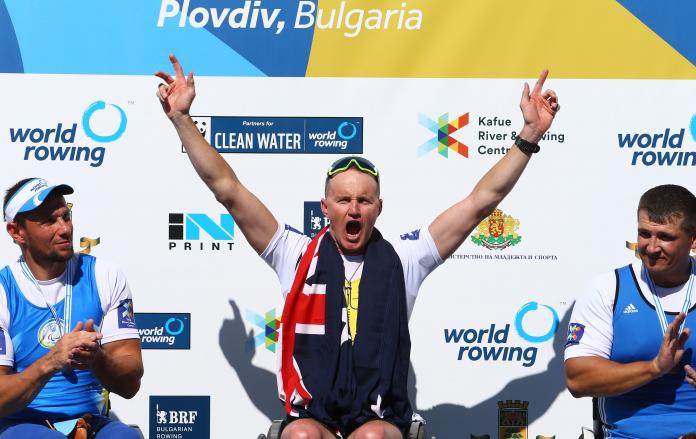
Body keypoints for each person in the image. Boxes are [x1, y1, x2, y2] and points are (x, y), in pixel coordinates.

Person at [156, 54, 560, 439]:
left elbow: (480, 203)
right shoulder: (293, 253)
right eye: (344, 200)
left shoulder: (406, 258)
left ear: (378, 208)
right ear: (325, 208)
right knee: (298, 434)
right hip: (314, 416)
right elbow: (228, 190)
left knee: (369, 436)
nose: (354, 209)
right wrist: (182, 119)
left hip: (378, 418)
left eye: (364, 201)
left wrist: (529, 136)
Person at [0, 178, 144, 438]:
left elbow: (130, 383)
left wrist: (98, 360)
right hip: (23, 425)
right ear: (16, 232)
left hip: (92, 423)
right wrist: (51, 362)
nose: (65, 229)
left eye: (65, 216)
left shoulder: (104, 275)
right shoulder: (3, 290)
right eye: (48, 221)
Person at [565, 184, 696, 438]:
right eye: (644, 234)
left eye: (666, 237)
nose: (651, 247)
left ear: (693, 238)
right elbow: (577, 380)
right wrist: (654, 368)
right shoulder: (608, 288)